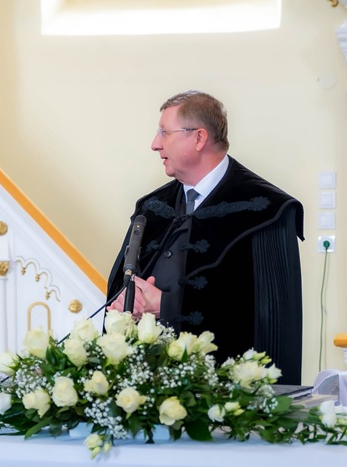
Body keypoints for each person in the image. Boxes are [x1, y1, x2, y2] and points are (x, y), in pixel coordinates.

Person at [106, 91, 304, 384]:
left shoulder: (266, 209)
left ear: (199, 138)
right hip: (149, 384)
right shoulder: (152, 208)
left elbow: (271, 321)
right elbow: (119, 287)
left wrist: (168, 306)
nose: (155, 144)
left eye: (164, 132)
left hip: (225, 390)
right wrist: (128, 301)